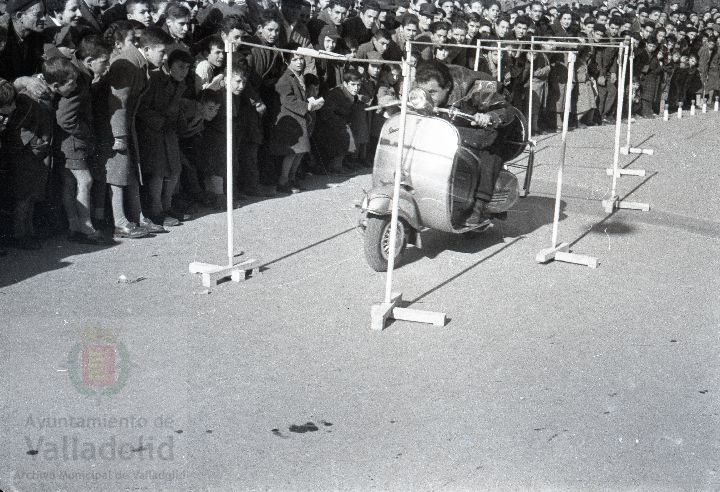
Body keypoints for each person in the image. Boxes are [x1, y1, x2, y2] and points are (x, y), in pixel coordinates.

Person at [411, 60, 514, 227]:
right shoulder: (425, 81)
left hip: (494, 116)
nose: (428, 96)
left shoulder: (478, 87)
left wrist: (490, 117)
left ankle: (480, 205)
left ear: (448, 87)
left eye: (432, 92)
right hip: (458, 117)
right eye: (424, 92)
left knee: (489, 145)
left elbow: (505, 109)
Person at [107, 26, 172, 238]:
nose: (164, 57)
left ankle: (138, 216)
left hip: (129, 124)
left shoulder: (140, 63)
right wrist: (119, 134)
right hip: (115, 126)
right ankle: (120, 221)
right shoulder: (128, 64)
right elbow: (117, 102)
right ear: (146, 48)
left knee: (133, 171)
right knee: (118, 172)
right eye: (161, 52)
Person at [269, 48, 324, 193]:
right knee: (292, 152)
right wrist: (307, 106)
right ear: (287, 61)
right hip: (290, 120)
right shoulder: (285, 79)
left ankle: (292, 179)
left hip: (299, 118)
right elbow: (288, 100)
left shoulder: (299, 76)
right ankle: (283, 181)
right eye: (294, 59)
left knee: (301, 151)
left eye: (301, 58)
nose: (299, 62)